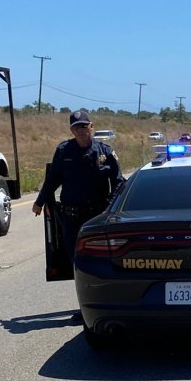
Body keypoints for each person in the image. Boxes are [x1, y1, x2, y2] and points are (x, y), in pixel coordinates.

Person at [32, 110, 124, 319]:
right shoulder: (64, 151)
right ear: (71, 130)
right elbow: (53, 179)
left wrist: (110, 207)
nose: (81, 131)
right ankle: (84, 307)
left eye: (84, 126)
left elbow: (118, 182)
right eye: (77, 127)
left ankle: (104, 303)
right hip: (71, 217)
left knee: (98, 262)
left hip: (96, 217)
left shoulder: (105, 151)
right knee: (77, 263)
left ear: (92, 126)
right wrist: (39, 202)